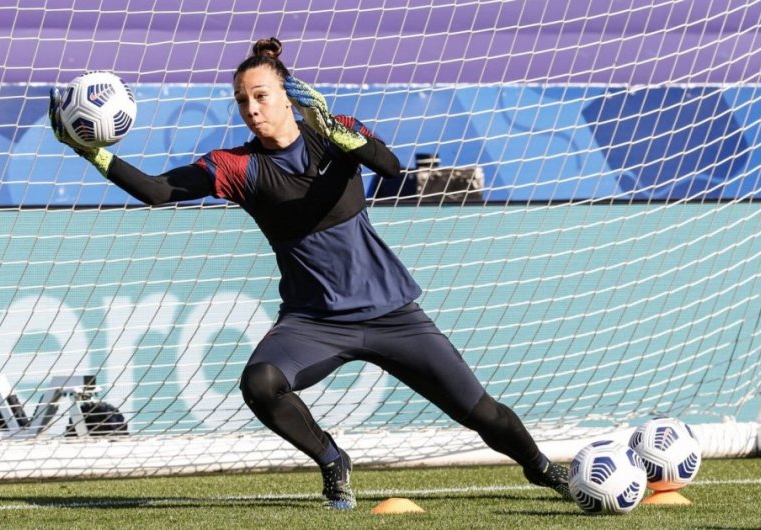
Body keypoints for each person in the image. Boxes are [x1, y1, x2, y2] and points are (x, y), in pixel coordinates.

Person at [49, 37, 572, 510]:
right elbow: (158, 191)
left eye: (261, 96)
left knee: (482, 413)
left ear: (286, 95)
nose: (252, 110)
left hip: (393, 313)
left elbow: (391, 168)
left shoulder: (333, 134)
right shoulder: (236, 166)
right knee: (261, 382)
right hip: (314, 322)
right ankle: (331, 459)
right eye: (242, 101)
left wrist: (351, 141)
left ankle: (547, 471)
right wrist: (92, 152)